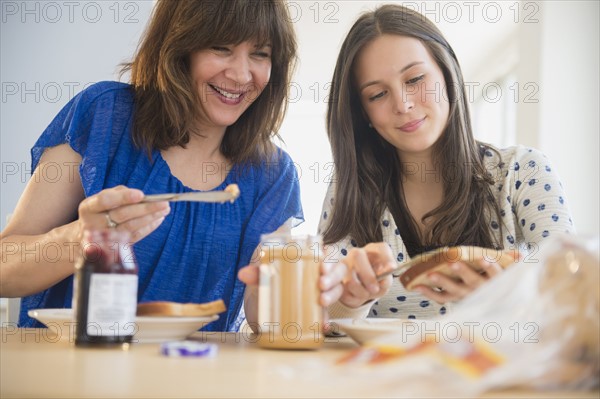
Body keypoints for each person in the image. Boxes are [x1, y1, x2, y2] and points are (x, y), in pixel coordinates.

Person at [0, 0, 341, 332]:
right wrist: (81, 239)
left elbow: (263, 310)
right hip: (71, 372)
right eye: (220, 47)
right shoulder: (103, 116)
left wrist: (308, 288)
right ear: (180, 47)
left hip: (191, 379)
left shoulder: (273, 173)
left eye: (260, 54)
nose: (240, 74)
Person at [317, 4, 576, 322]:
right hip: (382, 371)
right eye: (377, 94)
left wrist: (509, 298)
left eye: (414, 79)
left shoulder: (524, 171)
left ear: (448, 73)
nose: (403, 104)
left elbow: (576, 300)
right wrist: (350, 303)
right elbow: (324, 320)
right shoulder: (352, 188)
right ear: (363, 114)